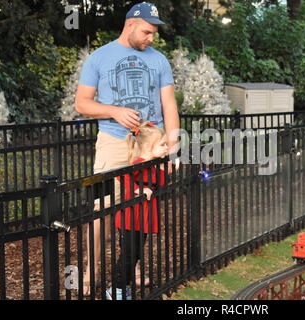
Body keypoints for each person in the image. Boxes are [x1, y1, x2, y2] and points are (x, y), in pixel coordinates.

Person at [74, 2, 179, 295]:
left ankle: (128, 266)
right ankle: (90, 270)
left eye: (154, 33)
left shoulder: (159, 60)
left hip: (149, 145)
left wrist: (171, 147)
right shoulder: (100, 57)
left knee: (137, 210)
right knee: (102, 210)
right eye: (147, 31)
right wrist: (114, 111)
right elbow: (81, 103)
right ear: (130, 24)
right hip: (112, 144)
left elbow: (169, 104)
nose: (151, 38)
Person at [106, 121, 168, 300]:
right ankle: (115, 290)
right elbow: (122, 175)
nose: (166, 147)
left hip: (143, 219)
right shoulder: (139, 163)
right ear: (149, 146)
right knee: (128, 256)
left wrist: (162, 169)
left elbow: (160, 186)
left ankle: (122, 287)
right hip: (130, 218)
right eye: (162, 144)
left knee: (136, 255)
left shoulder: (153, 165)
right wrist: (138, 189)